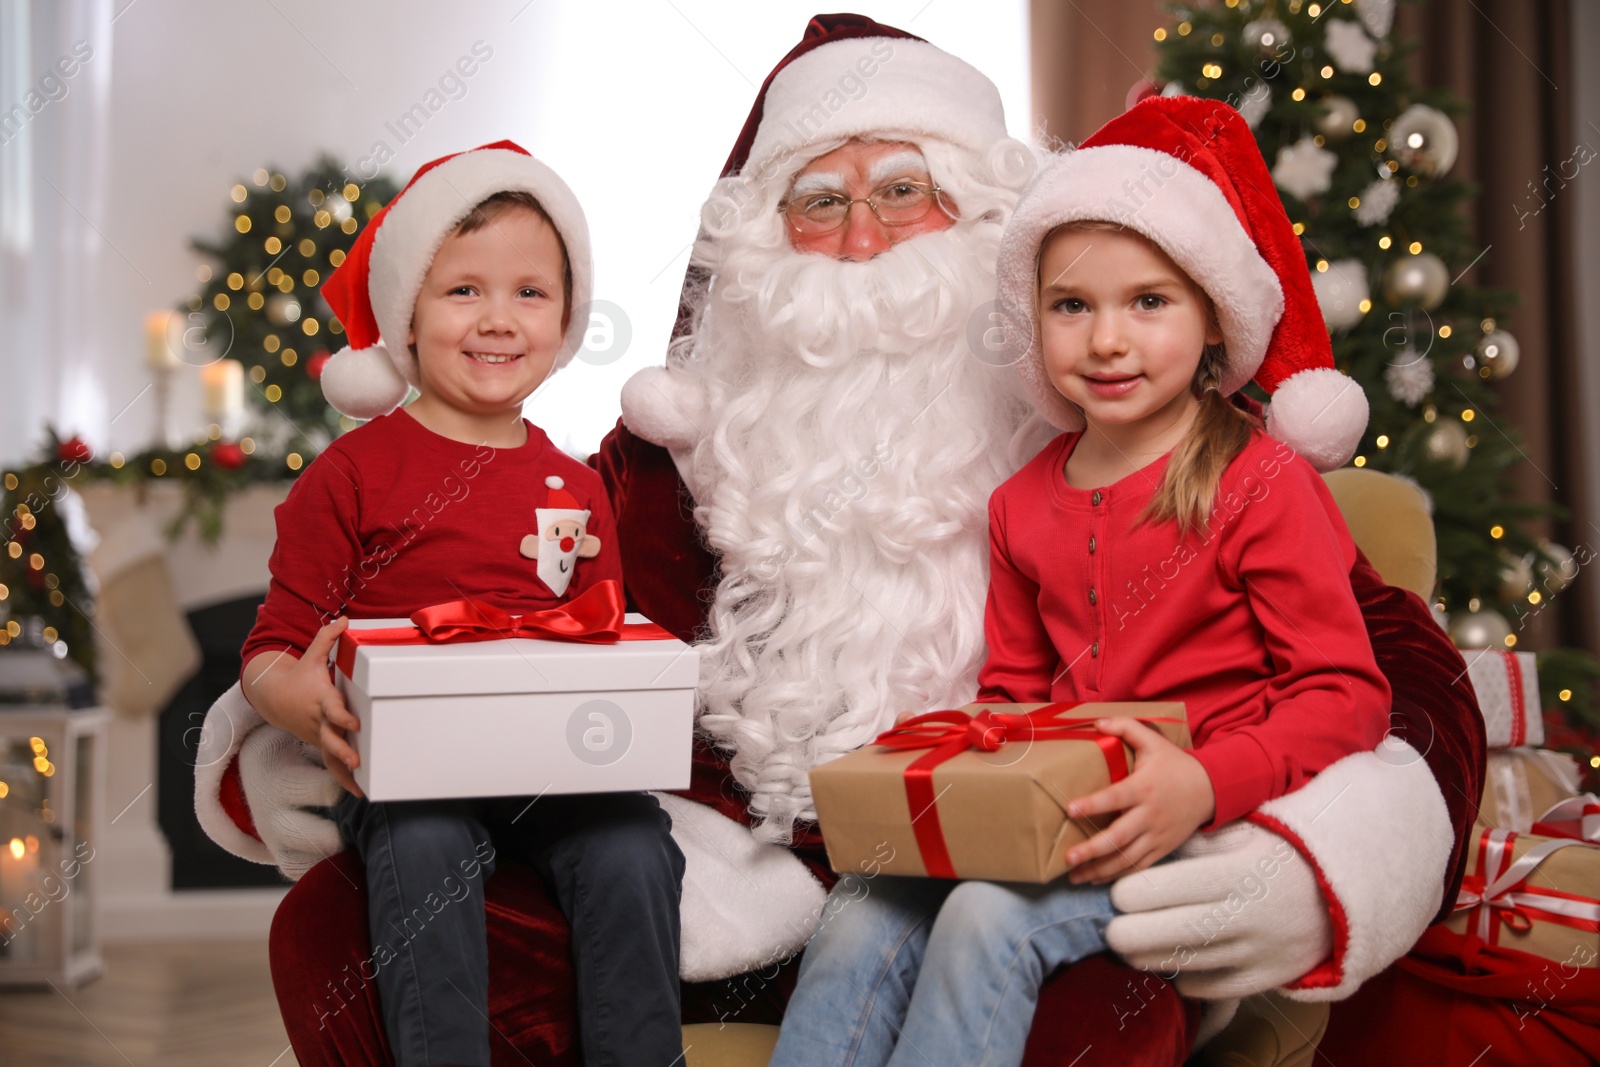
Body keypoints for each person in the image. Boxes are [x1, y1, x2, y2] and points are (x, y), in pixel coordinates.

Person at [196, 16, 1485, 1066]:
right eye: (819, 201)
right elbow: (492, 604)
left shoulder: (1157, 440)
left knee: (1093, 1003)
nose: (862, 239)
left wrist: (1315, 856)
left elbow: (1383, 668)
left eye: (905, 192)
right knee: (342, 924)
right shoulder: (673, 449)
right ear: (761, 241)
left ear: (984, 214)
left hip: (1031, 864)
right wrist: (340, 714)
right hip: (721, 889)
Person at [768, 93, 1415, 1067]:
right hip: (1067, 811)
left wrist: (1202, 781)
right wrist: (962, 772)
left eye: (1147, 302)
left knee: (987, 914)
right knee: (864, 901)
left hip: (1205, 825)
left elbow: (1346, 694)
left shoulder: (1259, 483)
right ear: (1033, 323)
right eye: (1072, 305)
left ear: (1211, 319)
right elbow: (1017, 697)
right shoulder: (1020, 503)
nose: (1106, 340)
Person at [235, 140, 684, 1067]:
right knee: (427, 835)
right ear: (407, 314)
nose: (499, 320)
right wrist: (303, 703)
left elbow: (602, 638)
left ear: (566, 320)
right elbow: (272, 650)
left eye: (531, 293)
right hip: (409, 772)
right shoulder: (351, 475)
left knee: (634, 839)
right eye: (463, 291)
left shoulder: (575, 484)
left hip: (552, 769)